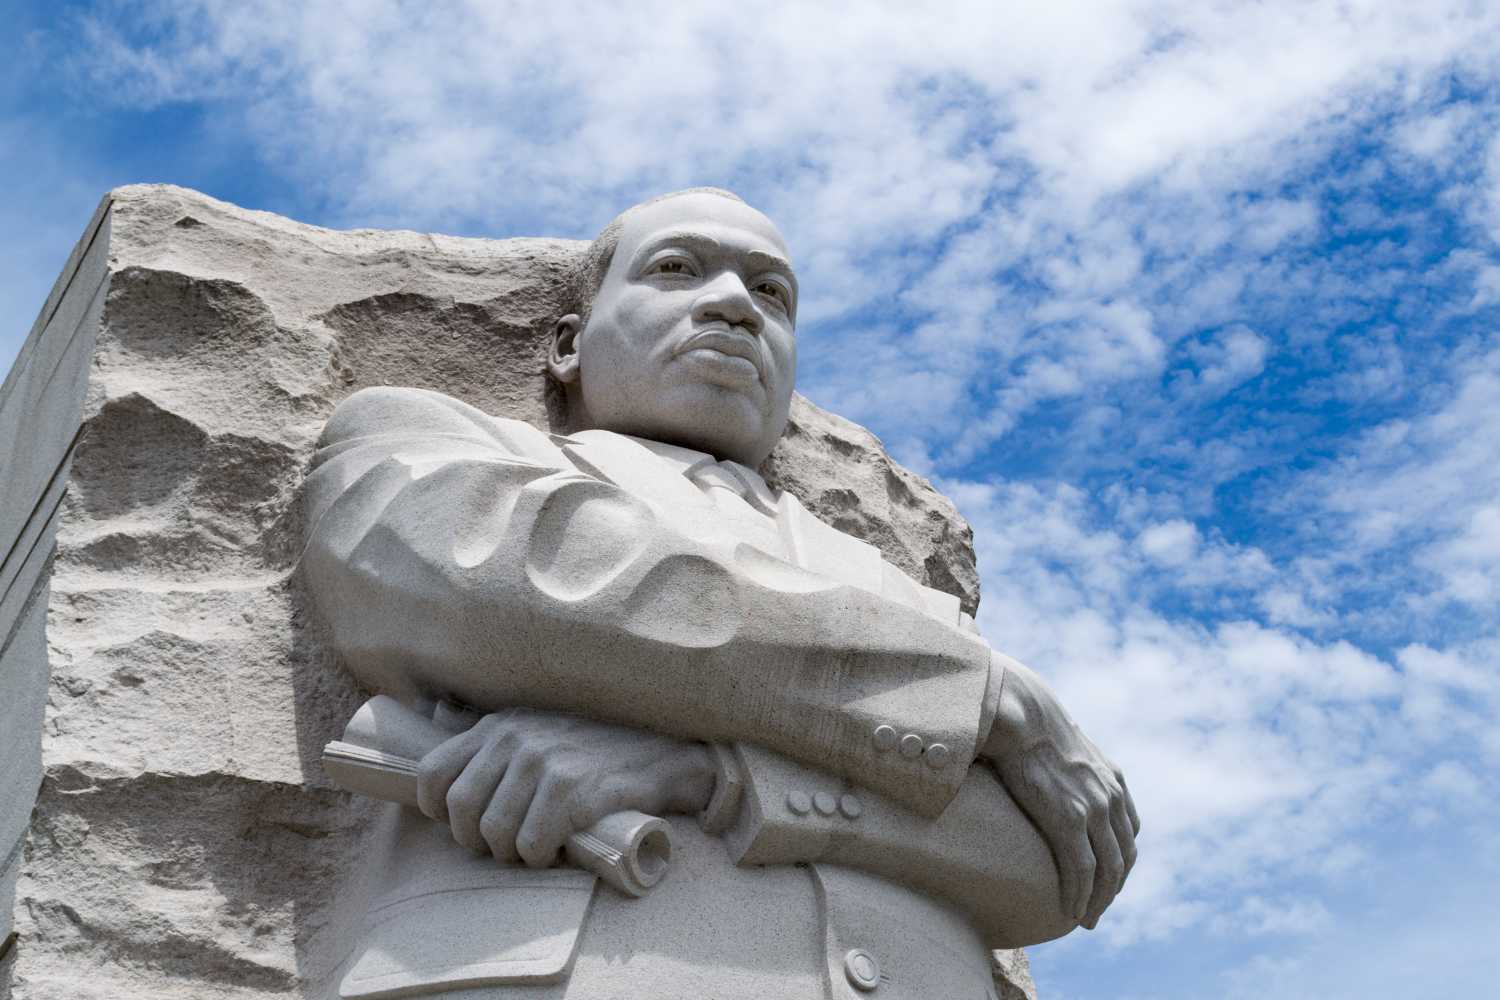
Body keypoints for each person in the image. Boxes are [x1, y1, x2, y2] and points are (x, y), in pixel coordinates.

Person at [302, 188, 1138, 999]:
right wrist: (981, 697)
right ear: (568, 343)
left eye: (772, 292)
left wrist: (711, 776)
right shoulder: (428, 440)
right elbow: (494, 581)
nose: (737, 304)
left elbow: (1058, 867)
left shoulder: (910, 601)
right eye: (676, 269)